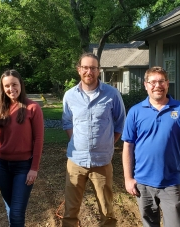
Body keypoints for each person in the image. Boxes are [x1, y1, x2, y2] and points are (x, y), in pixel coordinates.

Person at [121, 66, 180, 227]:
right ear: (145, 85)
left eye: (161, 81)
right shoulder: (135, 111)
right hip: (143, 182)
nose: (157, 85)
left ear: (167, 84)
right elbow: (128, 147)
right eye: (152, 82)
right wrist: (128, 178)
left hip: (170, 182)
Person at [62, 53, 126, 227]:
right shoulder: (69, 96)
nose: (89, 71)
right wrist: (75, 141)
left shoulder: (112, 94)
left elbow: (120, 122)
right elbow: (67, 121)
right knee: (70, 211)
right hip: (75, 162)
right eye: (85, 67)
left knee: (107, 212)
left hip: (102, 162)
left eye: (93, 68)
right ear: (79, 70)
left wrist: (108, 144)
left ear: (98, 71)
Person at [0, 69, 44, 227]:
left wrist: (34, 169)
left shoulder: (32, 108)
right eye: (6, 86)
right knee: (11, 209)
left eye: (14, 84)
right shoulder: (0, 109)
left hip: (23, 167)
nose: (11, 89)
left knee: (17, 212)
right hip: (3, 167)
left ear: (21, 85)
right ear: (2, 88)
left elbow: (39, 139)